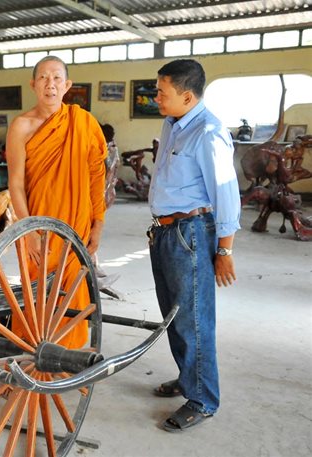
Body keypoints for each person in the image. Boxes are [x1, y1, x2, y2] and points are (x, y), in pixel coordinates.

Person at [147, 59, 240, 432]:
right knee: (173, 314)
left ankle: (203, 399)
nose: (156, 98)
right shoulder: (172, 124)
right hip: (165, 232)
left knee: (194, 320)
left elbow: (226, 195)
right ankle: (189, 381)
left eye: (161, 93)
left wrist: (225, 251)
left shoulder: (209, 132)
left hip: (191, 233)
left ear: (187, 96)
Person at [6, 56, 108, 349]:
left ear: (67, 85)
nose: (50, 84)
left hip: (76, 226)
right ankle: (28, 359)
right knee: (36, 296)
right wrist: (29, 234)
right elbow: (15, 184)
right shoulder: (21, 126)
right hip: (37, 227)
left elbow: (96, 179)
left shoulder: (84, 123)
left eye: (57, 78)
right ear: (33, 84)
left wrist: (98, 225)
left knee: (73, 293)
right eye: (43, 78)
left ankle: (66, 359)